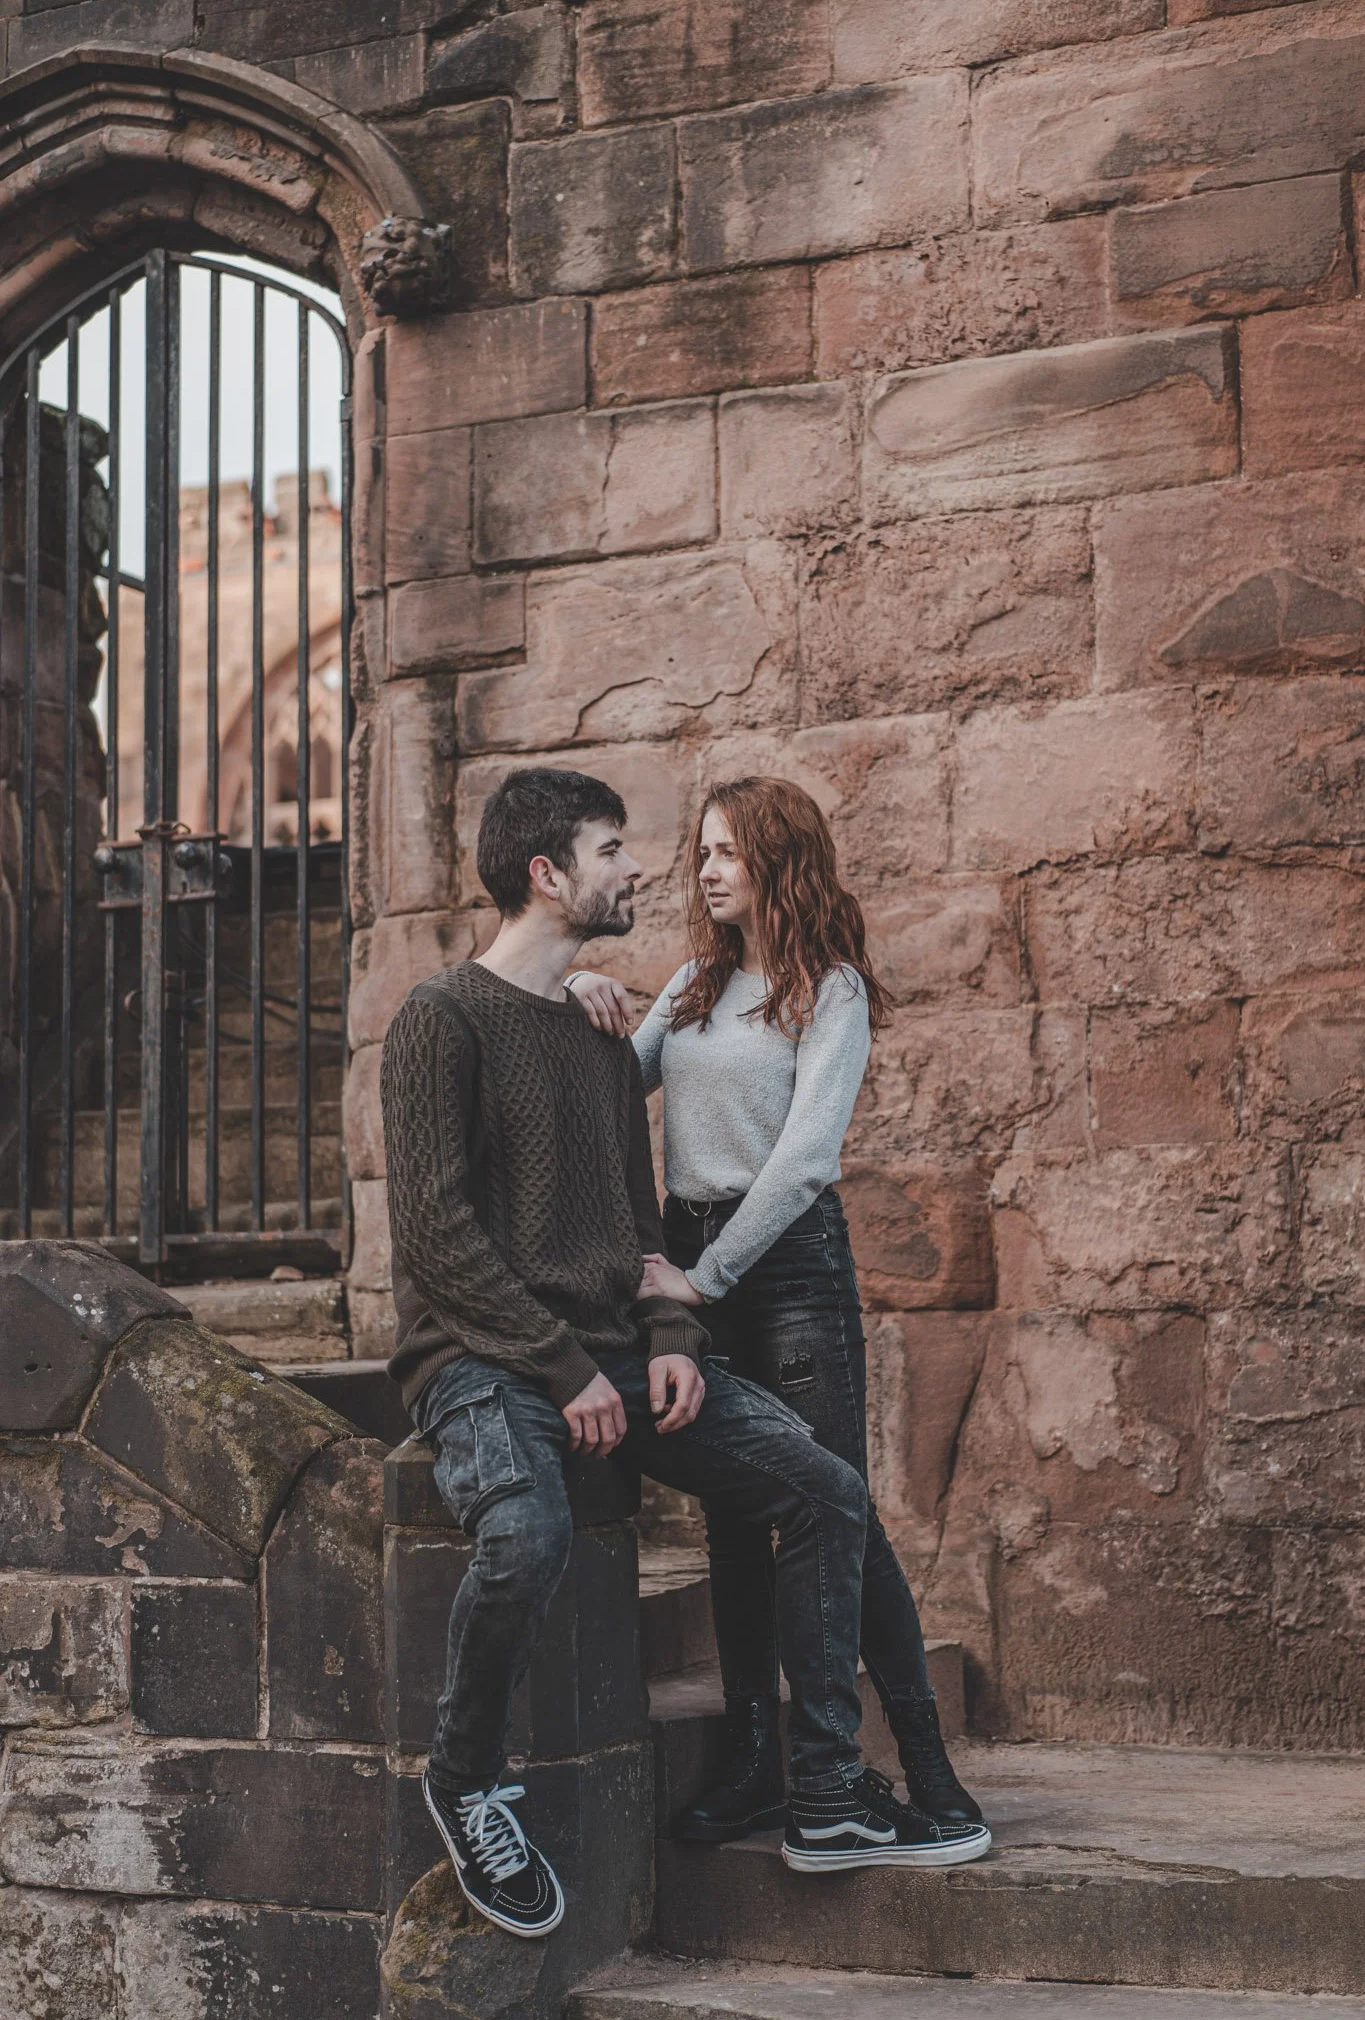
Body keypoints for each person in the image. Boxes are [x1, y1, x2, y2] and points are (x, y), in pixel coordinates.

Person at [381, 768, 990, 1941]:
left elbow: (633, 1222)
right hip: (492, 1353)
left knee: (824, 1490)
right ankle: (465, 1779)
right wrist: (571, 1365)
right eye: (619, 849)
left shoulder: (726, 1015)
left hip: (719, 1297)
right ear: (549, 873)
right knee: (528, 1530)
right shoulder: (446, 1018)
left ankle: (840, 1777)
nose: (656, 868)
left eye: (711, 851)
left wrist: (669, 1332)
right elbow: (441, 1239)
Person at [567, 775, 985, 1843]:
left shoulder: (828, 989)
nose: (703, 869)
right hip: (696, 1257)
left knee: (836, 1505)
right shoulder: (696, 985)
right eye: (700, 850)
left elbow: (804, 1162)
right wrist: (579, 992)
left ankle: (930, 1775)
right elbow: (617, 1082)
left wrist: (702, 1281)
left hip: (787, 1270)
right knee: (734, 1515)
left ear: (777, 859)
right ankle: (760, 1760)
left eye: (725, 852)